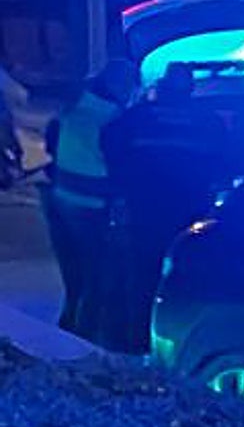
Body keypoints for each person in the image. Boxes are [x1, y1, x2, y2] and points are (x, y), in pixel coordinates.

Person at [102, 63, 230, 354]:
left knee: (141, 274)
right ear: (190, 90)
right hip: (188, 212)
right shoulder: (207, 122)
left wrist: (123, 185)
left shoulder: (139, 117)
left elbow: (110, 143)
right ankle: (175, 343)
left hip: (145, 208)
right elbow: (225, 164)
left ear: (162, 86)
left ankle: (135, 341)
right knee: (183, 278)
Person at [43, 59, 139, 339]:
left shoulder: (72, 108)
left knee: (74, 277)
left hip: (62, 199)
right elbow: (121, 165)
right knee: (96, 280)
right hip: (92, 206)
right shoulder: (114, 120)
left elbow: (51, 147)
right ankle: (85, 340)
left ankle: (66, 329)